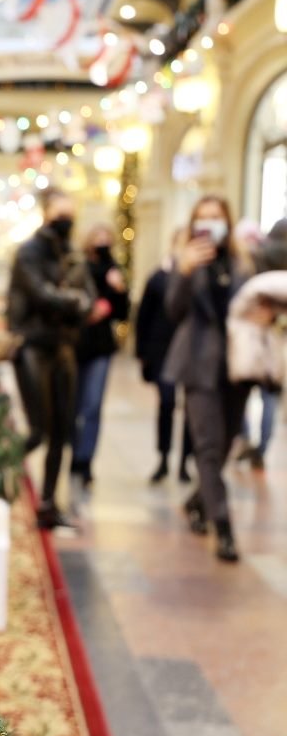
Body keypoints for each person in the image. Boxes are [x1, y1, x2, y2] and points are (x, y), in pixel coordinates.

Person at [163, 195, 253, 562]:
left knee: (226, 444)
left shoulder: (242, 262)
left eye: (216, 217)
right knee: (208, 447)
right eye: (203, 218)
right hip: (199, 365)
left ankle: (196, 502)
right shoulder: (187, 262)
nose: (210, 224)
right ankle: (224, 527)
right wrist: (183, 272)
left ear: (228, 222)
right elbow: (174, 310)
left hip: (237, 367)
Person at [8, 188, 96, 530]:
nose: (67, 220)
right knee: (38, 431)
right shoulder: (29, 252)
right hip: (32, 346)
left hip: (64, 347)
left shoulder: (73, 254)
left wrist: (73, 301)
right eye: (61, 213)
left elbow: (89, 297)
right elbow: (42, 296)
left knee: (62, 430)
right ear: (46, 214)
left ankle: (48, 503)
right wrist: (73, 301)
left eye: (70, 213)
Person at [70, 224, 130, 488]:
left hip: (101, 347)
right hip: (76, 343)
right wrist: (88, 309)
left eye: (107, 237)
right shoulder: (78, 266)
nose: (103, 242)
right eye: (98, 237)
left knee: (92, 406)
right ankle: (73, 453)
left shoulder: (114, 270)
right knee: (73, 406)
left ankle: (85, 461)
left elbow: (123, 313)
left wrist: (118, 292)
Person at [135, 241, 194, 483]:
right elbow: (144, 317)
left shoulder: (198, 278)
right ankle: (163, 458)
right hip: (161, 350)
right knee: (167, 403)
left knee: (192, 409)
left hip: (191, 351)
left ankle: (184, 463)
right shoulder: (158, 278)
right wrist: (143, 353)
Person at [236, 218, 287, 469]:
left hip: (250, 334)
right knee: (269, 396)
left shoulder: (257, 257)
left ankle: (245, 437)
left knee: (242, 391)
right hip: (275, 337)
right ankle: (262, 448)